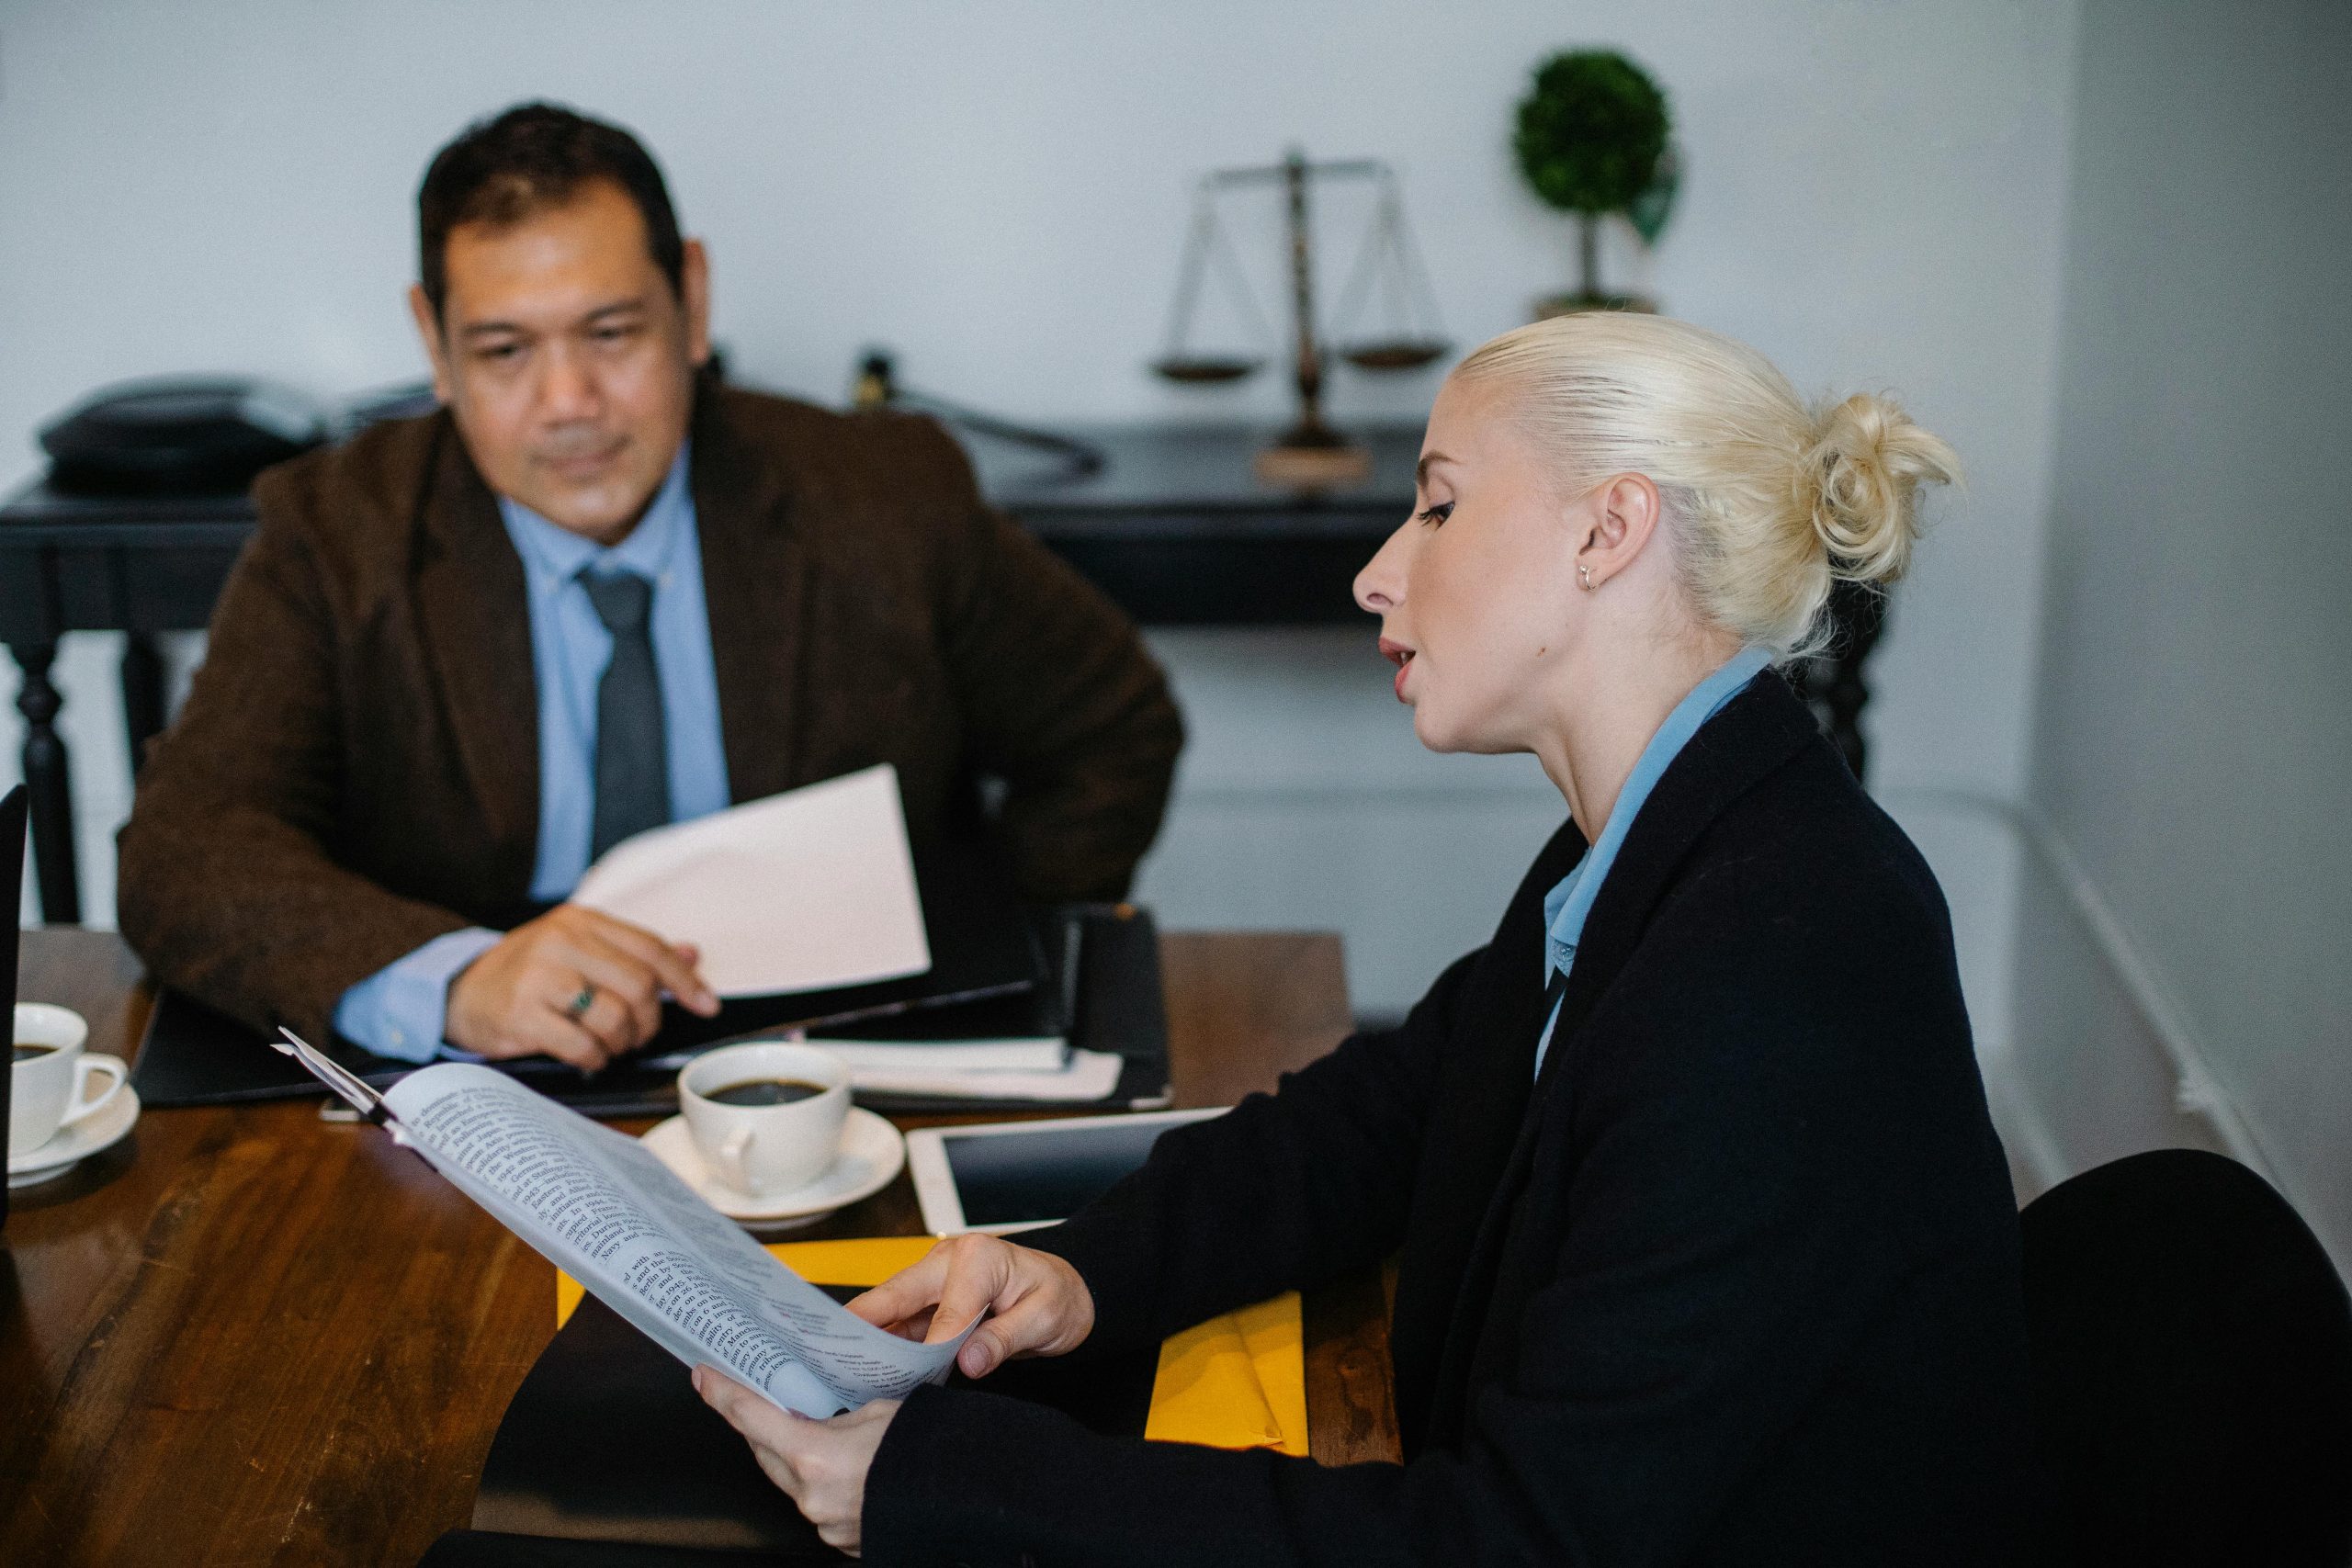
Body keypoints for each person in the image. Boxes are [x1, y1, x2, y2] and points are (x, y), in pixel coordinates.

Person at [694, 313, 2033, 1564]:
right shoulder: (1674, 839)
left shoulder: (1776, 961)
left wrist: (942, 1485)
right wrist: (1076, 1271)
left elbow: (1518, 1536)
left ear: (1608, 529)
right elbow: (1383, 1116)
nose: (1378, 568)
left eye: (1441, 502)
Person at [117, 104, 1182, 1070]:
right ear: (433, 346)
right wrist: (451, 980)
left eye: (611, 333)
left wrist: (979, 946)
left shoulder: (884, 495)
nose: (569, 402)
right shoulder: (334, 532)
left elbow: (1112, 731)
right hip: (486, 1079)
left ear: (694, 300)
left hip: (830, 1069)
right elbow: (183, 849)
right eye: (503, 351)